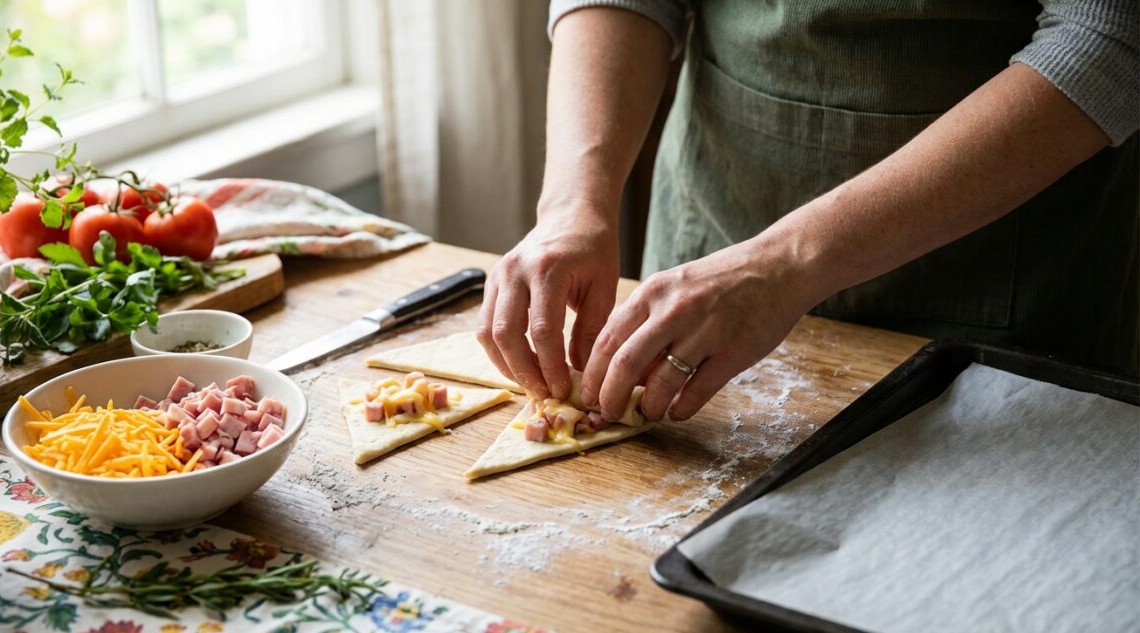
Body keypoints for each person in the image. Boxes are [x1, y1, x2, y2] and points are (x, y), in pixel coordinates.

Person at [477, 1, 1139, 424]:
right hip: (712, 213)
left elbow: (1110, 37)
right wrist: (573, 203)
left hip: (1003, 263)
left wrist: (784, 263)